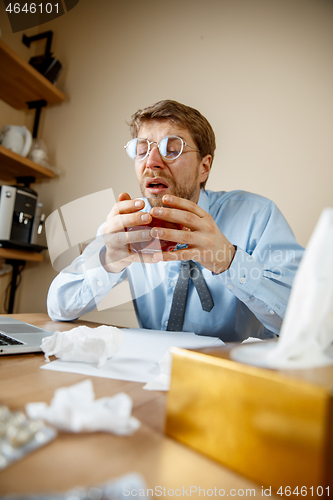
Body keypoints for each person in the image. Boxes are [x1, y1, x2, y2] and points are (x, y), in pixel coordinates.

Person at [47, 100, 304, 341]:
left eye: (172, 150)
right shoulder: (127, 225)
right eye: (142, 150)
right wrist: (107, 261)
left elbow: (303, 322)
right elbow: (59, 308)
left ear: (204, 167)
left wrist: (229, 261)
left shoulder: (257, 216)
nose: (152, 162)